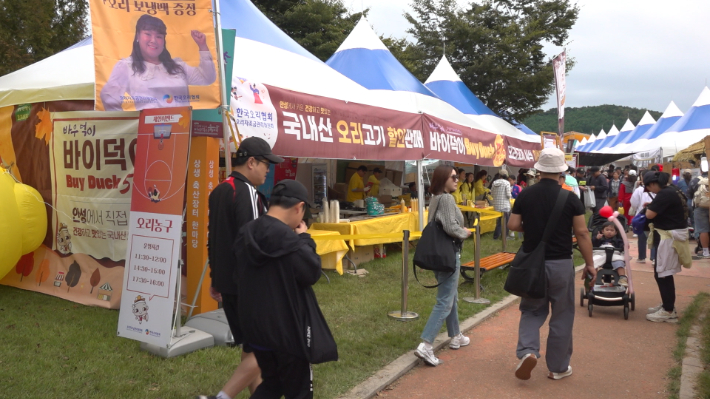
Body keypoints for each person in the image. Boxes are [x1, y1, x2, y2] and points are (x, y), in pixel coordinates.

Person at [234, 179, 337, 398]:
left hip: (257, 328)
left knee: (272, 384)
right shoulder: (289, 238)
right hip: (288, 331)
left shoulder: (247, 231)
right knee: (298, 391)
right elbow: (311, 272)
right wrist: (305, 239)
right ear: (299, 207)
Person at [201, 137, 284, 399]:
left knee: (251, 348)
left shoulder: (219, 190)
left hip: (228, 284)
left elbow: (213, 238)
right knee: (264, 349)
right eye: (266, 164)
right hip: (249, 285)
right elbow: (254, 242)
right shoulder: (246, 192)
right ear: (251, 162)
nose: (268, 170)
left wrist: (216, 278)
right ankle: (222, 397)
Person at [508, 148, 595, 381]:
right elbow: (582, 233)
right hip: (560, 264)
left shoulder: (525, 195)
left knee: (531, 310)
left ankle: (527, 351)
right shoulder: (570, 198)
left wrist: (533, 228)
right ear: (562, 174)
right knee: (562, 314)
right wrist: (590, 264)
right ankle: (558, 367)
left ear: (538, 172)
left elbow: (513, 224)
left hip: (532, 265)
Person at [414, 165, 472, 366]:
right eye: (453, 177)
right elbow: (450, 227)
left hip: (438, 255)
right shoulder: (446, 198)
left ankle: (455, 335)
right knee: (445, 301)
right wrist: (465, 232)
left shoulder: (436, 198)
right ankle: (426, 345)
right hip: (448, 255)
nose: (457, 180)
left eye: (457, 177)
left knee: (451, 296)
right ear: (442, 180)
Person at [101, 15, 217, 111]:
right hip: (147, 133)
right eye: (148, 34)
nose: (153, 40)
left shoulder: (178, 66)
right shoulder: (127, 66)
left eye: (159, 36)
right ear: (138, 36)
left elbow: (207, 78)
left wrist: (202, 46)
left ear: (164, 41)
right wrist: (129, 127)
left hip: (181, 128)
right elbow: (108, 97)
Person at [644, 171, 691, 322]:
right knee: (663, 272)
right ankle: (667, 305)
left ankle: (668, 310)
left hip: (669, 237)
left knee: (663, 273)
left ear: (652, 184)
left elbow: (649, 215)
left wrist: (648, 208)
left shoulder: (665, 194)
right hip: (672, 235)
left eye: (648, 187)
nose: (649, 191)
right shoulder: (674, 190)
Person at [592, 221, 628, 287]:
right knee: (593, 262)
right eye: (607, 230)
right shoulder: (599, 239)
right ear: (602, 231)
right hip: (601, 254)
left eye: (612, 230)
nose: (609, 232)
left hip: (614, 255)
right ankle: (592, 277)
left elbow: (622, 246)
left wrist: (624, 246)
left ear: (616, 232)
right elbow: (593, 245)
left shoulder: (618, 240)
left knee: (619, 263)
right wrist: (596, 239)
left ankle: (622, 277)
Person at [630, 177, 655, 263]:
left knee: (641, 236)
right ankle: (654, 257)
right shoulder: (658, 189)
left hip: (641, 216)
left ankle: (641, 257)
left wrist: (637, 209)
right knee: (654, 235)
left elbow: (633, 202)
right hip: (654, 215)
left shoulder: (639, 190)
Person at [491, 169, 512, 239]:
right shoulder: (507, 183)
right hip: (505, 205)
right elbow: (508, 195)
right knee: (506, 222)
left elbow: (492, 193)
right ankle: (505, 236)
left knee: (499, 222)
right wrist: (510, 192)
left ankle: (496, 236)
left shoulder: (494, 182)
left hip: (496, 205)